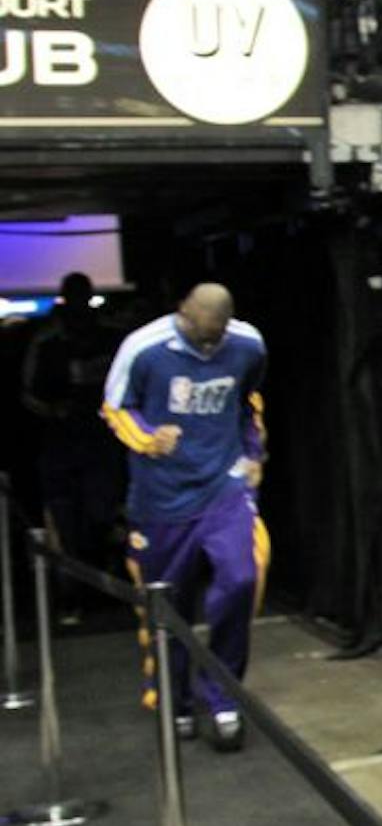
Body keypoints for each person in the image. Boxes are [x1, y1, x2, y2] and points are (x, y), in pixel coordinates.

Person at [101, 284, 268, 752]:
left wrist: (255, 454)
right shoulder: (144, 347)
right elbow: (115, 407)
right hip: (162, 499)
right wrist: (150, 438)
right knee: (167, 605)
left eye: (217, 338)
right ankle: (175, 701)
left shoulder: (248, 344)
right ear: (183, 314)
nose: (209, 347)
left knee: (239, 578)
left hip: (223, 487)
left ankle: (222, 695)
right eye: (202, 337)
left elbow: (248, 402)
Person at [20, 272, 124, 618]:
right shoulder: (47, 341)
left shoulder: (110, 336)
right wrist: (54, 410)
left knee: (100, 516)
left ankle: (103, 586)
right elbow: (27, 393)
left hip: (102, 444)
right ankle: (72, 596)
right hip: (60, 447)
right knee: (65, 529)